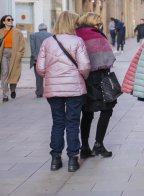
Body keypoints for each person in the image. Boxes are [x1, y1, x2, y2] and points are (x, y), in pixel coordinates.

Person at [36, 11, 90, 172]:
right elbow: (85, 66)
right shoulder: (78, 41)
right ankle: (73, 160)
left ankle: (55, 159)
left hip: (54, 89)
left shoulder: (47, 42)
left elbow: (40, 68)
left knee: (58, 122)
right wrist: (82, 77)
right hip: (74, 88)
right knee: (72, 123)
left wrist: (51, 76)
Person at [76, 12, 116, 159]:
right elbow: (109, 58)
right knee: (107, 109)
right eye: (98, 22)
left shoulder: (76, 34)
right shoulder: (97, 35)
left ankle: (84, 147)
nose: (100, 25)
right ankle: (99, 144)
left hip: (82, 78)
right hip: (99, 78)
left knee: (87, 112)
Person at [0, 15, 25, 102]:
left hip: (15, 54)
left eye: (11, 19)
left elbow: (22, 45)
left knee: (14, 73)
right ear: (4, 22)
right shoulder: (0, 32)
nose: (11, 21)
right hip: (4, 54)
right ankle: (5, 95)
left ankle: (13, 89)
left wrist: (19, 54)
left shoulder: (17, 32)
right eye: (8, 19)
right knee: (4, 73)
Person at [30, 23, 52, 98]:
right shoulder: (51, 35)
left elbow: (32, 48)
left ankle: (39, 93)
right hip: (49, 59)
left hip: (37, 59)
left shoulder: (33, 35)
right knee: (50, 76)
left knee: (38, 77)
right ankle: (50, 91)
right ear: (46, 29)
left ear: (38, 29)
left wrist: (34, 57)